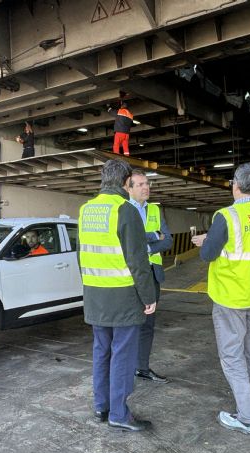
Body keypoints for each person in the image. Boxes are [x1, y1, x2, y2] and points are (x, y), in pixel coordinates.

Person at [191, 162, 250, 438]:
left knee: (232, 358)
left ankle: (248, 417)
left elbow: (209, 254)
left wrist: (205, 242)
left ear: (236, 186)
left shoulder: (226, 216)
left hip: (231, 297)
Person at [78, 159, 156, 432]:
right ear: (125, 183)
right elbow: (137, 261)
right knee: (122, 355)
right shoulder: (125, 210)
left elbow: (82, 255)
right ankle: (119, 414)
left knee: (102, 352)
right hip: (122, 296)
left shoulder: (86, 210)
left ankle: (102, 407)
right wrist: (149, 296)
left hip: (95, 294)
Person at [126, 169, 173, 383]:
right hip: (129, 275)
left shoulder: (154, 209)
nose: (146, 188)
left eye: (148, 183)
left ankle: (142, 368)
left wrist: (144, 246)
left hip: (152, 274)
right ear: (128, 188)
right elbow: (125, 241)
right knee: (128, 323)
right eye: (140, 184)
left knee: (147, 324)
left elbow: (167, 240)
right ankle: (124, 367)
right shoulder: (122, 209)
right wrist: (151, 237)